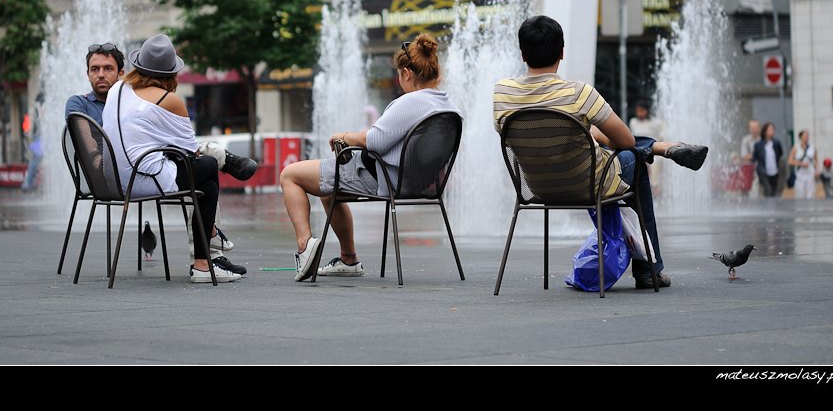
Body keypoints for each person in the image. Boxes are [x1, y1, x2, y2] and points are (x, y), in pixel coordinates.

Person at [492, 16, 709, 289]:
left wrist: (588, 135)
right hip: (588, 184)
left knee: (619, 148)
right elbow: (626, 141)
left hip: (536, 190)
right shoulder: (578, 93)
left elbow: (534, 134)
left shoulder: (502, 94)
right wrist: (597, 134)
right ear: (562, 51)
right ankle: (649, 268)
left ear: (522, 53)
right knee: (636, 159)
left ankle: (660, 147)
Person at [280, 34, 461, 282]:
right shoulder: (449, 106)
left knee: (290, 175)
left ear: (407, 73)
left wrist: (344, 136)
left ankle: (305, 246)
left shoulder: (409, 102)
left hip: (385, 180)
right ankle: (348, 259)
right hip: (420, 184)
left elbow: (374, 140)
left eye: (399, 76)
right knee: (327, 187)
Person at [101, 34, 256, 283]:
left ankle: (206, 257)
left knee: (204, 176)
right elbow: (191, 152)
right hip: (142, 179)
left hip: (110, 180)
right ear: (171, 74)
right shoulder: (169, 101)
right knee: (207, 166)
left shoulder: (117, 88)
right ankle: (205, 256)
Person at [65, 42, 125, 127]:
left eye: (108, 68)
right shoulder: (78, 103)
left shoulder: (131, 103)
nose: (101, 75)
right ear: (88, 74)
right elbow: (84, 139)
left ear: (120, 73)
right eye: (94, 69)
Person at [629, 98, 663, 196]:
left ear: (647, 111)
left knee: (656, 162)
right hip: (639, 150)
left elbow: (662, 138)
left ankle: (655, 187)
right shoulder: (633, 122)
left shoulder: (656, 123)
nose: (639, 113)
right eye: (638, 111)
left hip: (654, 150)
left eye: (642, 110)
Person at [751, 122, 783, 197]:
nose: (772, 131)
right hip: (763, 171)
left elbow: (780, 153)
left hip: (774, 170)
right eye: (770, 129)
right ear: (765, 131)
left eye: (773, 129)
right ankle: (768, 207)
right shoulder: (759, 145)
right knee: (767, 189)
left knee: (773, 190)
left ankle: (773, 206)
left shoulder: (776, 143)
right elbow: (754, 158)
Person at [789, 129, 818, 199]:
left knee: (810, 194)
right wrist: (801, 164)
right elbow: (790, 161)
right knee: (800, 193)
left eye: (807, 135)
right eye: (805, 135)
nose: (806, 137)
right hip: (800, 174)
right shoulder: (796, 147)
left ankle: (811, 209)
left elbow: (816, 160)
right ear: (800, 137)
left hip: (810, 173)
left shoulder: (812, 147)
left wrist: (817, 170)